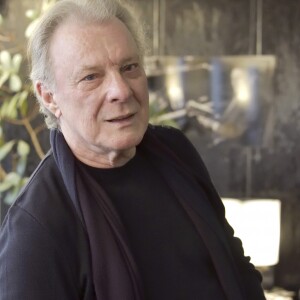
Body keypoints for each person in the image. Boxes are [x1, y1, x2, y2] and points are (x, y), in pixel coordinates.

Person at [0, 0, 266, 299]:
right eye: (91, 77)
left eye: (129, 67)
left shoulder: (176, 149)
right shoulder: (35, 227)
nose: (121, 90)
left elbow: (236, 263)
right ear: (49, 97)